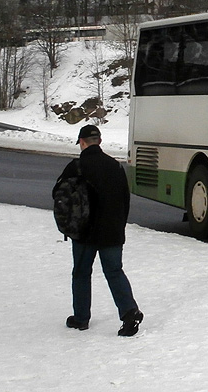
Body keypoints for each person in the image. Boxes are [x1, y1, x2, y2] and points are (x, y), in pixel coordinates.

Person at [54, 124, 144, 336]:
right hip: (112, 231)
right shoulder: (115, 166)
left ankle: (81, 318)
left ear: (82, 143)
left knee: (81, 273)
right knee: (114, 271)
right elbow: (125, 199)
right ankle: (129, 312)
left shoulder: (76, 167)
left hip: (84, 231)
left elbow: (59, 195)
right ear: (100, 142)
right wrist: (119, 225)